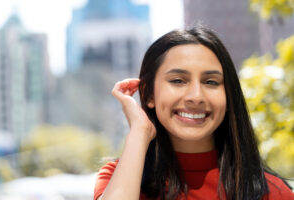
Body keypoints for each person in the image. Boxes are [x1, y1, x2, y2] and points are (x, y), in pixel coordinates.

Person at [94, 26, 294, 200]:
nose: (196, 96)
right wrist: (139, 131)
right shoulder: (118, 179)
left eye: (211, 82)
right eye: (178, 81)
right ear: (148, 94)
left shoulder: (273, 193)